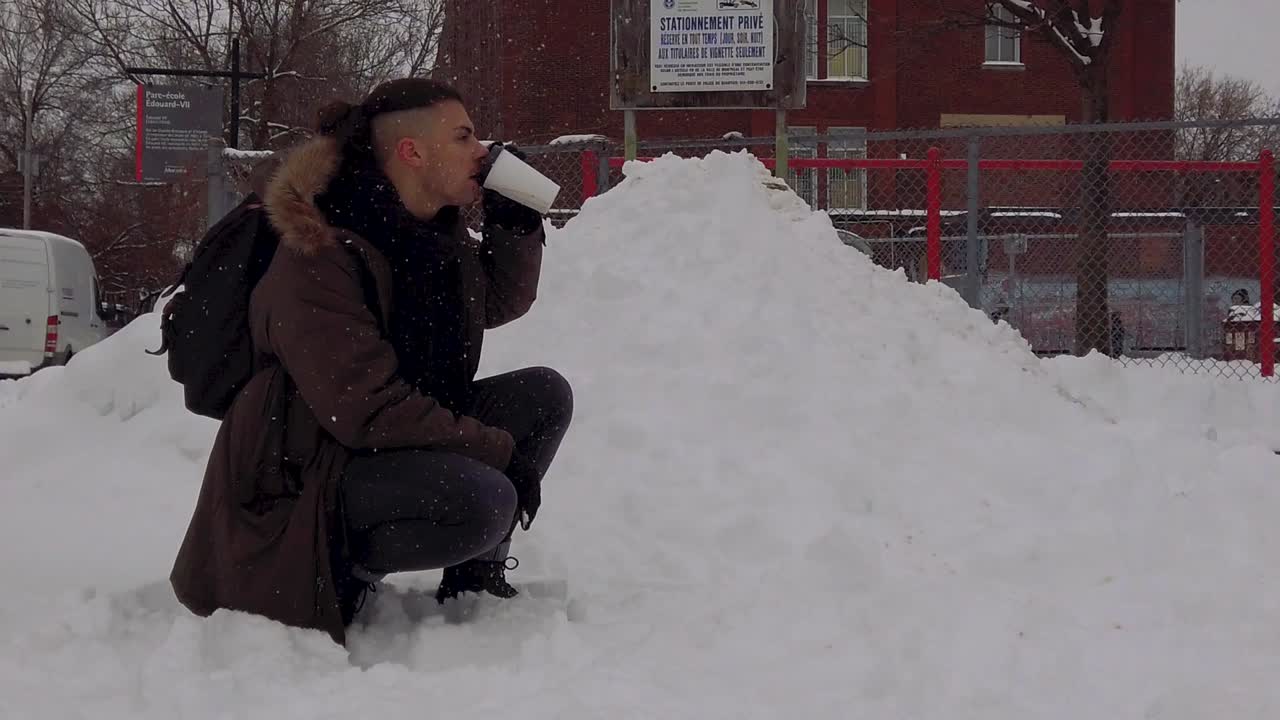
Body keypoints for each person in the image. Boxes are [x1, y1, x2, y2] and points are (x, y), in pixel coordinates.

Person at [168, 78, 573, 646]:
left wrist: (514, 223)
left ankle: (474, 580)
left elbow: (497, 301)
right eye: (463, 137)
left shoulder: (431, 228)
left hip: (383, 442)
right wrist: (497, 449)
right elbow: (368, 408)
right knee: (483, 500)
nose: (483, 151)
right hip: (311, 469)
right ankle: (341, 573)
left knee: (543, 395)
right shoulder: (319, 250)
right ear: (412, 152)